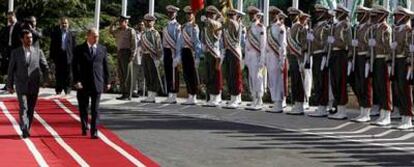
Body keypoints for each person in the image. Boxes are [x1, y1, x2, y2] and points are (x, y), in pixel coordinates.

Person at [7, 29, 49, 138]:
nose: (30, 39)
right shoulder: (15, 53)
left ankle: (27, 127)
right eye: (27, 38)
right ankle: (24, 128)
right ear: (22, 39)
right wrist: (10, 85)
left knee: (31, 109)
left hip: (34, 85)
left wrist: (45, 79)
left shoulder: (38, 52)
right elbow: (11, 70)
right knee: (23, 107)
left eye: (31, 37)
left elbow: (45, 67)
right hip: (21, 85)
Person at [72, 27, 110, 139]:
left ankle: (94, 131)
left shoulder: (102, 49)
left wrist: (107, 81)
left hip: (97, 83)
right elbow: (75, 67)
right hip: (83, 83)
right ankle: (84, 127)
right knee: (83, 108)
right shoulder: (79, 49)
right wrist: (76, 81)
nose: (96, 38)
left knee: (95, 109)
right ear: (88, 36)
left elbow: (105, 66)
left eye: (97, 36)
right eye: (94, 36)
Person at [386, 6, 413, 128]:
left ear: (404, 17)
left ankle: (408, 118)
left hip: (404, 61)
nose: (395, 18)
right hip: (396, 61)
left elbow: (409, 49)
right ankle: (403, 116)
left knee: (405, 90)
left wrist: (408, 63)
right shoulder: (396, 30)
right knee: (397, 89)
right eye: (395, 15)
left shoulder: (408, 31)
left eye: (397, 15)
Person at [327, 5, 352, 120]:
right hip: (334, 54)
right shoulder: (336, 25)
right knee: (334, 81)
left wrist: (335, 42)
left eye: (338, 12)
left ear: (343, 13)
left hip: (341, 55)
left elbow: (348, 43)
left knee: (341, 81)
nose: (336, 14)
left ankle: (342, 110)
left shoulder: (346, 25)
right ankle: (338, 107)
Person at [350, 6, 374, 122]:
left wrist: (369, 59)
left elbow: (371, 45)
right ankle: (362, 109)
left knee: (366, 84)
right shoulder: (358, 27)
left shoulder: (369, 28)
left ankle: (367, 112)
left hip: (365, 57)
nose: (357, 16)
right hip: (358, 57)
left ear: (365, 15)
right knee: (359, 84)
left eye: (360, 14)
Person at [307, 4, 331, 117]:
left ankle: (323, 105)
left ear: (324, 13)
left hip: (322, 55)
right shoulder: (316, 26)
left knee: (322, 81)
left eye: (319, 12)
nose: (316, 14)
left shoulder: (326, 27)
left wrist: (313, 39)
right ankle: (320, 105)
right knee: (317, 81)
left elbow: (324, 44)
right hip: (315, 55)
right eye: (316, 12)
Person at [175, 6, 202, 105]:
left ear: (193, 15)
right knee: (186, 74)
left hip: (192, 52)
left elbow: (197, 42)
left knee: (192, 74)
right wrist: (178, 55)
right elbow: (180, 42)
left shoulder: (195, 27)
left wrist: (197, 57)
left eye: (190, 14)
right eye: (187, 14)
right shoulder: (184, 26)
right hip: (184, 51)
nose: (188, 16)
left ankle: (194, 95)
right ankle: (190, 94)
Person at [285, 7, 307, 115]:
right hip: (292, 58)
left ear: (298, 16)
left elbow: (304, 45)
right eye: (290, 15)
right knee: (294, 81)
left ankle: (300, 105)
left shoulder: (300, 27)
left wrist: (303, 60)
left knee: (298, 82)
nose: (292, 17)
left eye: (294, 15)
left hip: (298, 58)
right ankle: (296, 104)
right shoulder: (291, 28)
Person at [265, 6, 287, 113]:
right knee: (271, 80)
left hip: (276, 57)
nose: (271, 16)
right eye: (270, 14)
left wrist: (282, 60)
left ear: (277, 15)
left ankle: (278, 103)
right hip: (269, 57)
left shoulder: (280, 27)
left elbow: (283, 45)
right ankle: (275, 102)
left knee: (277, 80)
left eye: (273, 14)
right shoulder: (269, 28)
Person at [110, 15, 137, 100]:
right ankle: (123, 93)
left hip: (127, 53)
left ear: (126, 22)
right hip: (120, 52)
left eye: (122, 22)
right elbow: (111, 31)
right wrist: (113, 22)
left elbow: (134, 44)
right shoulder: (118, 30)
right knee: (121, 74)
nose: (120, 23)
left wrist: (132, 55)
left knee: (127, 75)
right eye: (119, 22)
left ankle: (128, 95)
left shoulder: (130, 31)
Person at [244, 6, 266, 111]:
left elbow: (263, 45)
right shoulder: (249, 28)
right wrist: (246, 59)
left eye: (252, 14)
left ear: (257, 15)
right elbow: (247, 45)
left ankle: (259, 99)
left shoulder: (261, 28)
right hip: (250, 57)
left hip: (257, 56)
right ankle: (254, 98)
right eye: (250, 14)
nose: (251, 16)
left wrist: (262, 60)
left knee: (258, 78)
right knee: (251, 78)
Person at [222, 8, 245, 109]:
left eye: (232, 16)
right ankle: (233, 96)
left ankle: (235, 97)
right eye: (229, 16)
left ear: (236, 17)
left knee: (234, 75)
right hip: (228, 51)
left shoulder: (238, 26)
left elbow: (241, 42)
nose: (230, 18)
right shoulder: (227, 26)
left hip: (235, 52)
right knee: (228, 74)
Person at [49, 17, 76, 96]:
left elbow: (74, 46)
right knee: (58, 73)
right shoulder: (55, 33)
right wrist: (52, 57)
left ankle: (67, 89)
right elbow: (52, 46)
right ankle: (58, 90)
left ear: (68, 24)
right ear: (60, 24)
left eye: (65, 23)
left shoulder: (72, 34)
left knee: (68, 74)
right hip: (59, 56)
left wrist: (74, 57)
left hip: (68, 56)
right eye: (62, 23)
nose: (64, 25)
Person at [203, 5, 223, 107]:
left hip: (214, 53)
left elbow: (217, 37)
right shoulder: (207, 25)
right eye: (208, 14)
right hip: (207, 52)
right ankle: (210, 97)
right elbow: (203, 38)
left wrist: (217, 18)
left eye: (212, 14)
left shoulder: (217, 24)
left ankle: (215, 96)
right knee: (208, 75)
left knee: (214, 76)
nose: (209, 16)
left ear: (216, 15)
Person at [140, 14, 163, 103]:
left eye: (150, 21)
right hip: (144, 55)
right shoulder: (143, 33)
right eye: (147, 21)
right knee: (147, 75)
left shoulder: (155, 33)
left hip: (152, 56)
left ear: (153, 22)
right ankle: (149, 94)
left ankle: (153, 95)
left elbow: (158, 46)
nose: (148, 23)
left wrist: (158, 58)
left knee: (153, 75)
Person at [161, 5, 181, 104]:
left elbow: (179, 42)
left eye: (172, 13)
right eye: (169, 13)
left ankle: (174, 94)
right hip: (166, 51)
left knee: (174, 74)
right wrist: (162, 54)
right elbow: (163, 41)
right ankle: (169, 93)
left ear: (176, 14)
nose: (170, 14)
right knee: (168, 72)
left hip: (174, 52)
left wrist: (177, 56)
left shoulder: (177, 26)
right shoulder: (166, 26)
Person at [1, 11, 22, 90]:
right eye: (8, 18)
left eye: (10, 18)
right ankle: (9, 85)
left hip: (17, 50)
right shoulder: (8, 27)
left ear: (14, 16)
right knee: (10, 68)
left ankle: (17, 86)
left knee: (17, 68)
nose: (9, 20)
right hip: (9, 49)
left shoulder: (20, 26)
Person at [131, 21, 145, 98]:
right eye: (140, 24)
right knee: (134, 75)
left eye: (142, 25)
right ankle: (134, 91)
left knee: (142, 75)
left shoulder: (146, 34)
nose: (141, 26)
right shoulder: (134, 33)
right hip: (136, 57)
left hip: (144, 57)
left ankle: (141, 90)